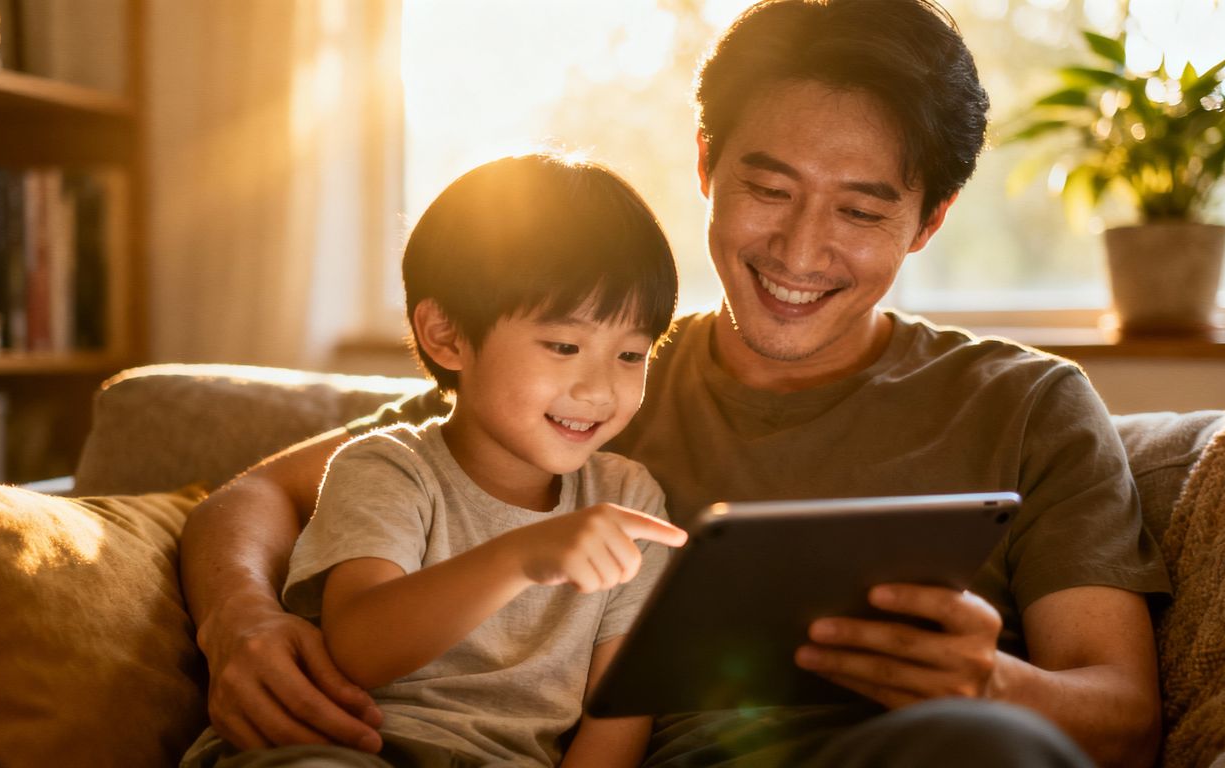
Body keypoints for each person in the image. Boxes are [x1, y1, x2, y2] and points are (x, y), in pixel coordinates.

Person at [180, 1, 1170, 766]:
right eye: (768, 189)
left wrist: (990, 686)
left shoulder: (1027, 404)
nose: (798, 249)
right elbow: (263, 492)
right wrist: (242, 623)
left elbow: (1123, 718)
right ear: (706, 166)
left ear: (928, 222)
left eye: (860, 212)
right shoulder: (585, 380)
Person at [180, 154, 689, 767]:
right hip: (349, 749)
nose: (600, 390)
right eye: (564, 345)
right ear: (446, 336)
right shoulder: (387, 468)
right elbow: (361, 648)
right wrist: (522, 557)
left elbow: (619, 711)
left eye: (631, 355)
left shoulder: (630, 500)